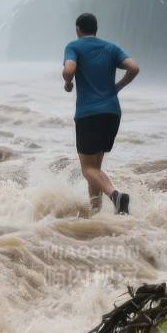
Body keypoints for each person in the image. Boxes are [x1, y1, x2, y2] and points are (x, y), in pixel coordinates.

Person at [62, 12, 140, 214]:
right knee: (94, 168)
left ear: (78, 29)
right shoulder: (111, 48)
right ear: (96, 29)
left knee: (87, 169)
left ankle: (115, 195)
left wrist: (68, 82)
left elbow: (69, 69)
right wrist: (117, 87)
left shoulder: (74, 46)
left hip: (89, 115)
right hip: (112, 113)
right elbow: (134, 67)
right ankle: (95, 214)